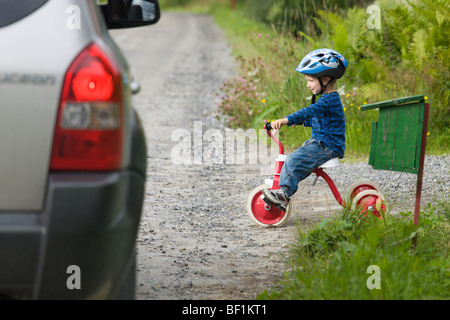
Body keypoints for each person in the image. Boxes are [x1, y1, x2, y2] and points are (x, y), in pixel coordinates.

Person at [262, 48, 348, 212]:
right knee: (297, 157)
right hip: (322, 143)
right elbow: (318, 119)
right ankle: (282, 191)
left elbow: (309, 111)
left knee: (294, 160)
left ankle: (284, 195)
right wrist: (299, 122)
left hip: (328, 146)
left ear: (326, 79)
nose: (308, 85)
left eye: (310, 80)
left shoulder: (329, 99)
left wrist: (288, 119)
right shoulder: (327, 99)